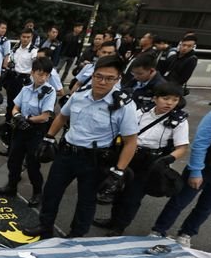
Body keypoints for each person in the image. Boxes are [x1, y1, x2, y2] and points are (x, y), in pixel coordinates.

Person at [23, 55, 139, 239]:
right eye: (98, 76)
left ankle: (76, 235)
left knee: (86, 201)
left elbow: (131, 141)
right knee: (51, 192)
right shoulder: (79, 95)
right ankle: (44, 226)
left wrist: (119, 171)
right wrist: (49, 138)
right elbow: (62, 116)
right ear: (92, 75)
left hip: (95, 159)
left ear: (118, 79)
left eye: (109, 78)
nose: (102, 82)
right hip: (67, 153)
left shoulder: (123, 106)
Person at [93, 81, 189, 236]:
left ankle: (119, 227)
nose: (170, 103)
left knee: (133, 196)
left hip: (151, 162)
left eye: (175, 100)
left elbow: (182, 147)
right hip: (130, 156)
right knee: (119, 189)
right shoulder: (143, 111)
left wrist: (167, 160)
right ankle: (112, 219)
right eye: (166, 98)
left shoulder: (179, 121)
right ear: (155, 98)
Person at [150, 103, 211, 248]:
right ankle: (158, 230)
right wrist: (196, 171)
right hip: (205, 168)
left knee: (206, 207)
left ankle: (186, 234)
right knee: (179, 201)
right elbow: (201, 144)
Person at [0, 57, 56, 206]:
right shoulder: (26, 88)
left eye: (47, 75)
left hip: (36, 131)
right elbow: (15, 107)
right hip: (20, 129)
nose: (43, 78)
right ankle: (11, 186)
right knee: (14, 159)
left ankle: (37, 192)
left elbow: (45, 116)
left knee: (33, 164)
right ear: (32, 73)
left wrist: (27, 119)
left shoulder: (49, 91)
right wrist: (17, 116)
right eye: (40, 74)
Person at [5, 28, 38, 122]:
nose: (25, 39)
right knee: (10, 101)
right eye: (24, 37)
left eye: (28, 37)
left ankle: (18, 122)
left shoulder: (33, 50)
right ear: (20, 37)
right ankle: (7, 122)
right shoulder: (16, 48)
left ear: (31, 38)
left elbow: (36, 65)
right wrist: (10, 63)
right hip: (13, 77)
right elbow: (10, 60)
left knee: (20, 104)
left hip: (24, 80)